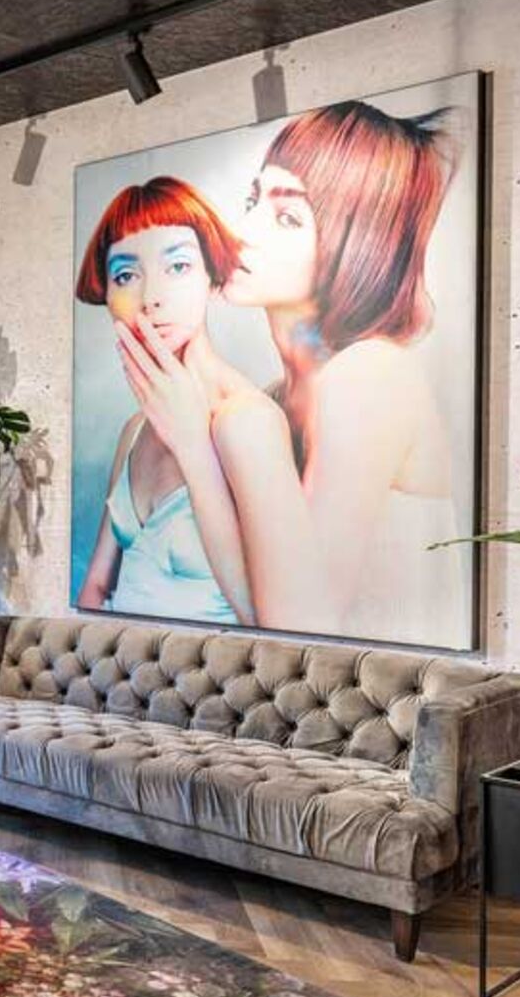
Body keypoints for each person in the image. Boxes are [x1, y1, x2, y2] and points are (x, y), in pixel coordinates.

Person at [125, 102, 459, 639]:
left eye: (287, 217)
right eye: (252, 200)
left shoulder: (371, 373)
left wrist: (194, 446)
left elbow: (303, 627)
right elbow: (256, 610)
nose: (241, 231)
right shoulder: (273, 402)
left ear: (358, 245)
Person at [71, 175, 266, 625]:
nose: (151, 298)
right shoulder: (136, 429)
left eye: (177, 266)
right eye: (126, 276)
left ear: (212, 278)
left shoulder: (248, 419)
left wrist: (193, 444)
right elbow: (96, 586)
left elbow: (264, 616)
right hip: (114, 660)